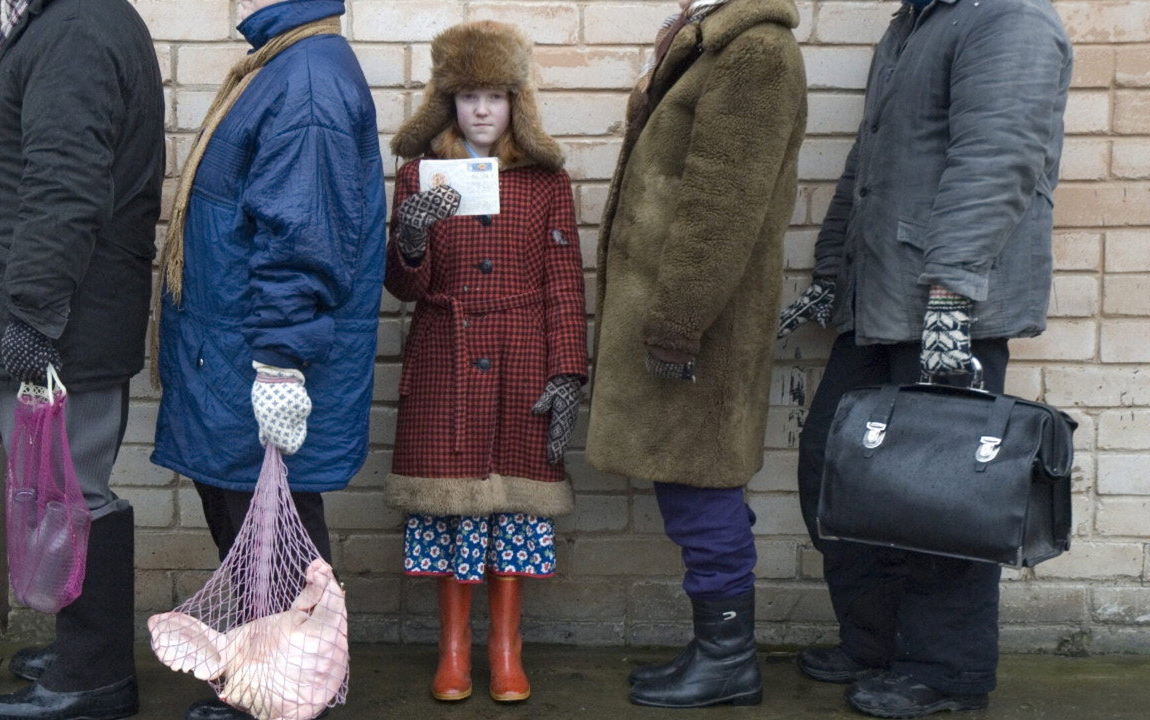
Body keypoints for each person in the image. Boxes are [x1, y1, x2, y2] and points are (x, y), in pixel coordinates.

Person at [777, 0, 1072, 716]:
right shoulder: (914, 23)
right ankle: (876, 646)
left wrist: (951, 294)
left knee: (944, 502)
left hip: (947, 307)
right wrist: (828, 273)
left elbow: (999, 156)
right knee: (834, 470)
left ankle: (946, 670)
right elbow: (868, 161)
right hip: (876, 298)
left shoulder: (1012, 18)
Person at [147, 0, 385, 718]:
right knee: (246, 521)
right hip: (229, 352)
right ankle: (264, 683)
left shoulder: (304, 80)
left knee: (277, 533)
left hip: (256, 356)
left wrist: (280, 364)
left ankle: (288, 695)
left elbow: (300, 236)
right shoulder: (284, 65)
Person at [0, 0, 163, 718]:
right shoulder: (72, 21)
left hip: (66, 323)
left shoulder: (78, 29)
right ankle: (81, 651)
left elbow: (65, 184)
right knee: (66, 491)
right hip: (75, 316)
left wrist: (33, 318)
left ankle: (93, 680)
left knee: (75, 496)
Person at [585, 0, 807, 709]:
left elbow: (722, 206)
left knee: (700, 486)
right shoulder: (712, 43)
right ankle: (719, 652)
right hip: (677, 315)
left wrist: (678, 323)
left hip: (697, 322)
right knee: (694, 488)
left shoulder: (757, 54)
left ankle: (728, 659)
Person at [382, 20, 588, 704]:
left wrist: (567, 373)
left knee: (515, 512)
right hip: (446, 352)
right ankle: (451, 652)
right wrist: (411, 234)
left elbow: (564, 281)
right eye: (466, 95)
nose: (480, 109)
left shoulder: (547, 180)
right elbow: (407, 288)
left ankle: (506, 650)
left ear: (515, 102)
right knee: (451, 511)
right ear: (445, 101)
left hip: (524, 356)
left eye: (495, 95)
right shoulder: (418, 174)